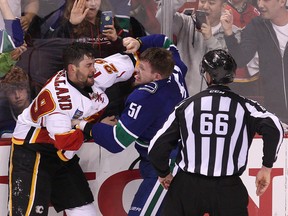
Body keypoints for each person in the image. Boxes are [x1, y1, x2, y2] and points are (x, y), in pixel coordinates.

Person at [148, 49, 284, 216]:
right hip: (227, 188)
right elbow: (275, 127)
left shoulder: (187, 106)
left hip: (187, 187)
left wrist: (164, 174)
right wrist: (266, 167)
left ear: (208, 75)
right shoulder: (245, 107)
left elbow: (157, 147)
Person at [8, 42, 135, 216]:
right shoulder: (59, 102)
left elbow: (134, 60)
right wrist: (93, 128)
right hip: (33, 150)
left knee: (84, 209)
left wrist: (139, 46)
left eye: (93, 63)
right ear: (72, 69)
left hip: (60, 149)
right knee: (27, 213)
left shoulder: (96, 72)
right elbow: (66, 144)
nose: (94, 69)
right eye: (88, 65)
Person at [72, 34, 188, 215]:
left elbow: (116, 142)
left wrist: (83, 124)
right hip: (177, 159)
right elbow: (165, 41)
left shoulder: (146, 97)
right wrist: (139, 42)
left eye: (142, 68)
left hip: (164, 168)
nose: (136, 71)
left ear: (156, 76)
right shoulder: (176, 70)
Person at [221, 0, 288, 124]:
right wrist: (228, 33)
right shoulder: (257, 25)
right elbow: (240, 60)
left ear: (282, 2)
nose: (260, 5)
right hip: (274, 113)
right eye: (259, 0)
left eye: (266, 0)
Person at [156, 0, 240, 96]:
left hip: (212, 99)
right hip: (182, 97)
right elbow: (161, 15)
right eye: (202, 1)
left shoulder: (232, 33)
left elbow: (225, 68)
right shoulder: (186, 22)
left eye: (211, 3)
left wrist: (209, 38)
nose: (205, 6)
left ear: (223, 6)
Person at [0, 66, 31, 138]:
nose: (17, 96)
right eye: (11, 91)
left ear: (27, 89)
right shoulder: (1, 113)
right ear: (6, 93)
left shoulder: (39, 111)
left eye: (20, 89)